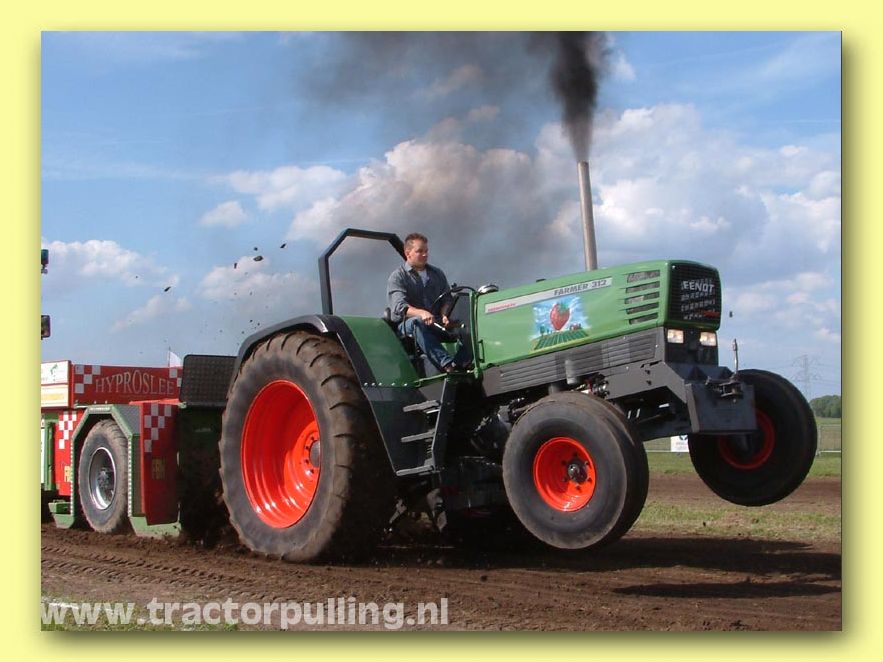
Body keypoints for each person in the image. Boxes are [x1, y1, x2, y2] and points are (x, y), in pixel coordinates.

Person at [387, 233, 472, 373]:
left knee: (470, 323)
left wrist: (445, 315)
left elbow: (447, 299)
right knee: (417, 322)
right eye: (420, 251)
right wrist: (421, 313)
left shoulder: (437, 273)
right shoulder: (398, 277)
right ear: (408, 253)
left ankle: (462, 363)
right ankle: (447, 365)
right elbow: (399, 307)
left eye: (426, 251)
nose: (425, 254)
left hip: (437, 323)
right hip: (408, 326)